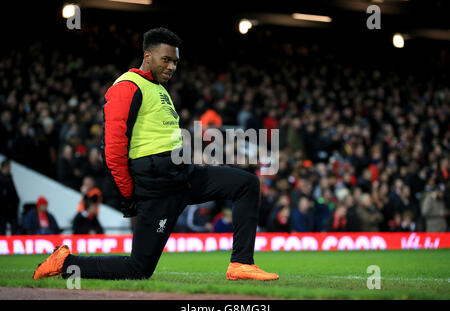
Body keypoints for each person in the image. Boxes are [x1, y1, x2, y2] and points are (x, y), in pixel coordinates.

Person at [33, 27, 278, 281]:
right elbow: (114, 149)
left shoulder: (159, 88)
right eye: (166, 59)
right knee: (138, 270)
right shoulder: (127, 87)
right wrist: (128, 194)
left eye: (175, 61)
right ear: (147, 56)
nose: (172, 67)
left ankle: (240, 263)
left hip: (183, 174)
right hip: (158, 186)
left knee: (247, 184)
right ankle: (65, 262)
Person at [0, 159, 20, 235]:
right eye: (9, 166)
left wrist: (16, 201)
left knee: (15, 225)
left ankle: (13, 240)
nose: (10, 168)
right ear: (5, 166)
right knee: (2, 227)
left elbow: (13, 192)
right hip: (2, 208)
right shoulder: (1, 178)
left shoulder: (9, 177)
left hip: (11, 208)